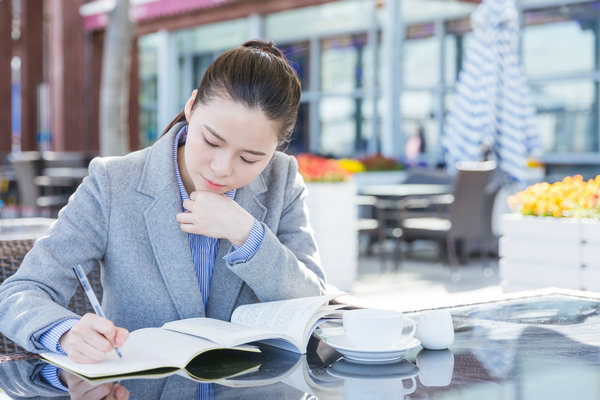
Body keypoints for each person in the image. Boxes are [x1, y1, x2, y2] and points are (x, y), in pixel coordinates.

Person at [0, 40, 326, 392]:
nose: (221, 168)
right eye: (212, 141)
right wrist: (63, 332)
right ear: (191, 107)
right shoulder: (113, 183)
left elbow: (312, 303)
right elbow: (20, 291)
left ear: (274, 150)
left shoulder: (282, 180)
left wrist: (247, 234)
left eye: (249, 159)